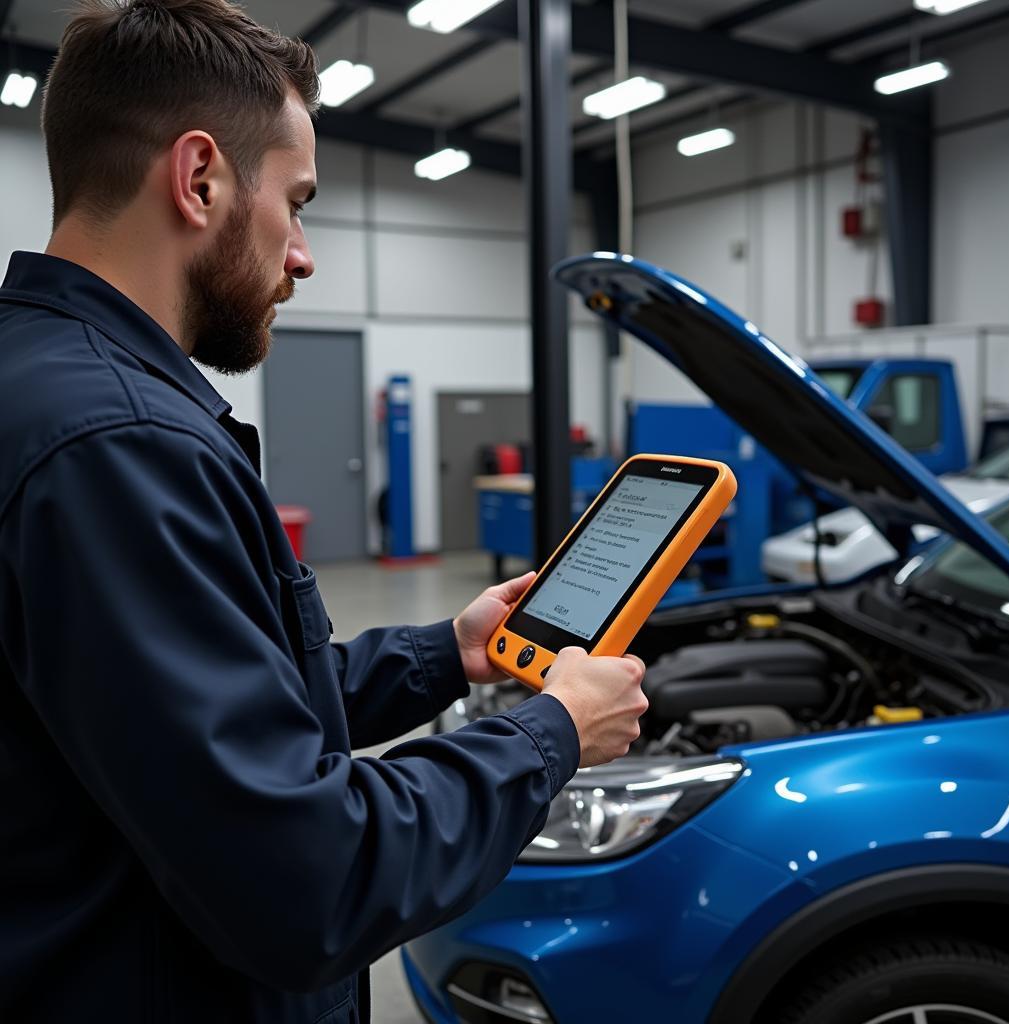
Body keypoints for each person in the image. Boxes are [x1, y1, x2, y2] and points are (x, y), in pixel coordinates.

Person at [0, 2, 648, 1021]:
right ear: (200, 177)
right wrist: (551, 730)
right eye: (295, 204)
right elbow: (311, 878)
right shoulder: (119, 447)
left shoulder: (43, 387)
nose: (300, 254)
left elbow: (215, 707)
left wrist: (448, 651)